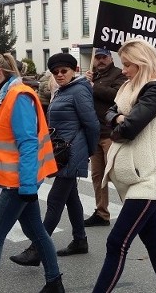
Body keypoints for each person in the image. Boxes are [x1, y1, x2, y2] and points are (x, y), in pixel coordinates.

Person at [0, 50, 63, 293]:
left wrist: (28, 186)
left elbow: (28, 143)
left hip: (18, 182)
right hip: (17, 180)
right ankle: (54, 283)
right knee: (36, 231)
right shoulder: (7, 94)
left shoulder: (17, 96)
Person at [92, 38, 156, 293]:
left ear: (143, 62)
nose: (124, 70)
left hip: (150, 180)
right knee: (153, 240)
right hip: (136, 178)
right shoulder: (130, 85)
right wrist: (119, 118)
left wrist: (118, 121)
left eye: (128, 65)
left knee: (116, 242)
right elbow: (110, 114)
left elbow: (126, 130)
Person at [10, 53, 98, 265]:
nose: (59, 75)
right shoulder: (63, 90)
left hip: (72, 152)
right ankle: (80, 240)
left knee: (55, 200)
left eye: (63, 71)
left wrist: (89, 151)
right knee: (72, 198)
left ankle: (36, 250)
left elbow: (92, 124)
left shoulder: (78, 91)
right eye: (55, 71)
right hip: (62, 152)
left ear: (73, 70)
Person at [83, 48, 126, 227]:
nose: (100, 60)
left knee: (118, 176)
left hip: (110, 133)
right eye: (98, 58)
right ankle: (102, 213)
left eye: (103, 57)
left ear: (110, 58)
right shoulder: (92, 76)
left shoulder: (119, 75)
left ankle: (133, 210)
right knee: (97, 176)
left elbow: (118, 96)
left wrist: (94, 86)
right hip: (95, 133)